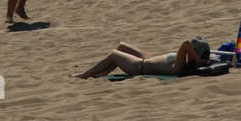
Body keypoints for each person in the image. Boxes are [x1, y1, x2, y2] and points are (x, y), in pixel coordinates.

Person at [72, 37, 211, 79]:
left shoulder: (182, 64)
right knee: (122, 46)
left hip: (139, 66)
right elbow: (187, 46)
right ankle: (104, 72)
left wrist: (198, 61)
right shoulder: (184, 61)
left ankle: (84, 75)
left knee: (114, 54)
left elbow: (185, 44)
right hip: (150, 59)